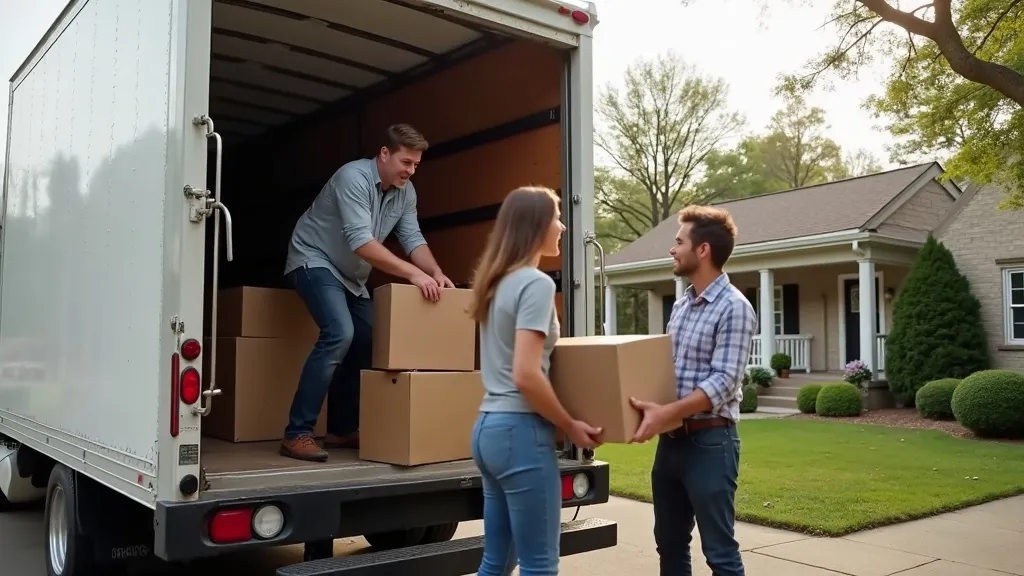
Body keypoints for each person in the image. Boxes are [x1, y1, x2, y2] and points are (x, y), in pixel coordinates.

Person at [280, 124, 455, 463]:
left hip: (350, 277)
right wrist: (415, 275)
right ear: (384, 154)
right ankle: (297, 433)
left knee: (368, 338)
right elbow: (361, 242)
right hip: (313, 260)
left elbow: (413, 238)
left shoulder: (406, 192)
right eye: (406, 162)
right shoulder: (353, 178)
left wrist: (434, 271)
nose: (411, 170)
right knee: (339, 333)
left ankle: (342, 429)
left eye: (416, 164)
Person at [467, 186, 603, 576]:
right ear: (538, 225)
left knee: (496, 562)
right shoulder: (536, 284)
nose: (562, 226)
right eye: (558, 217)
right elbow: (526, 374)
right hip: (520, 434)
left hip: (488, 430)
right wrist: (571, 425)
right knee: (539, 566)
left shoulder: (495, 283)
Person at [628, 205, 758, 576]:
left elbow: (724, 381)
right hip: (671, 445)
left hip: (710, 445)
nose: (672, 249)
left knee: (720, 554)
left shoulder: (735, 307)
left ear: (703, 250)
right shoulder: (683, 305)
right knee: (669, 546)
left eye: (679, 241)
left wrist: (667, 413)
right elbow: (670, 371)